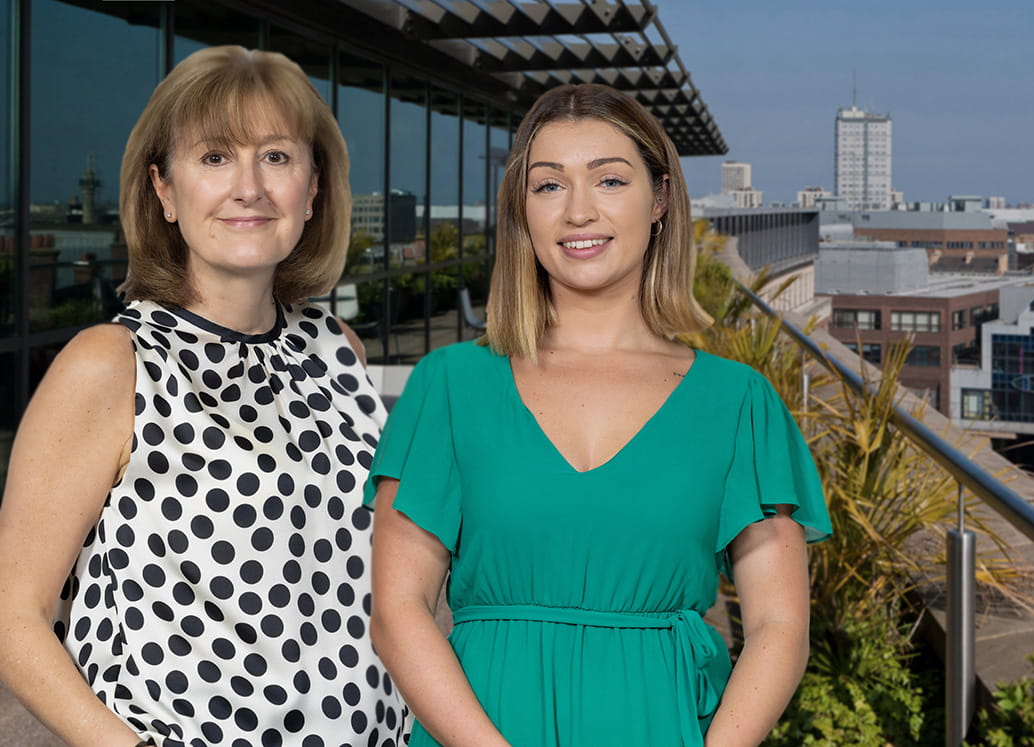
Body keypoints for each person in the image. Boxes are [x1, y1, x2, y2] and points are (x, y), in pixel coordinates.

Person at [367, 83, 831, 746]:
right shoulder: (449, 385)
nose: (577, 211)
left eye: (609, 179)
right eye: (549, 186)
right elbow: (398, 611)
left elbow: (779, 626)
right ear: (522, 212)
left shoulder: (736, 403)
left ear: (661, 199)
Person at [0, 46, 408, 746]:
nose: (248, 187)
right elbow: (11, 612)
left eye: (277, 157)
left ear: (314, 189)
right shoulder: (113, 364)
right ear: (163, 191)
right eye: (215, 157)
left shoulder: (340, 348)